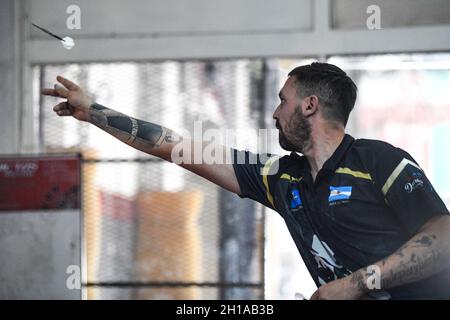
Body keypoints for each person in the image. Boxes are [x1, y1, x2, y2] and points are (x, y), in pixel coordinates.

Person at [42, 62, 450, 300]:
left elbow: (444, 237)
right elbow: (175, 147)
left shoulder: (378, 160)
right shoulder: (281, 178)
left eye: (282, 100)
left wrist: (360, 283)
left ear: (310, 105)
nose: (274, 114)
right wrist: (94, 111)